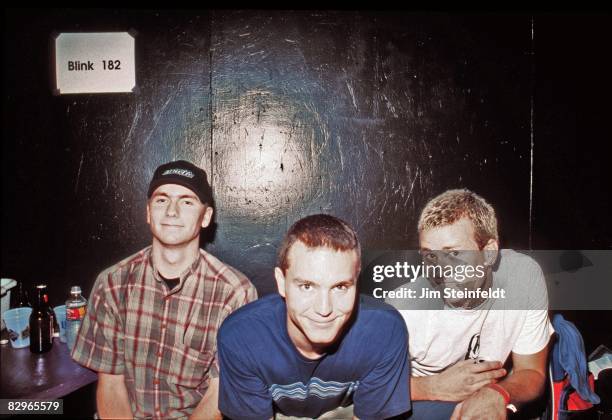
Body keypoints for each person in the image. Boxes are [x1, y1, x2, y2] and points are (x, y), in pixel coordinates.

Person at [71, 160, 257, 419]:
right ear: (148, 212)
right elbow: (111, 385)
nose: (172, 211)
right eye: (161, 200)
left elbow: (220, 393)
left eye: (187, 201)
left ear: (205, 217)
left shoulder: (235, 293)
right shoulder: (112, 283)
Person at [217, 214, 411, 420]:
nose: (324, 308)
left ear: (356, 282)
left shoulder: (384, 330)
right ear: (281, 283)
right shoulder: (241, 336)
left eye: (340, 287)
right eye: (307, 286)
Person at [389, 189, 553, 419]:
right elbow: (359, 389)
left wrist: (498, 394)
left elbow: (531, 372)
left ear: (489, 253)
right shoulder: (404, 308)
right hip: (415, 403)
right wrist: (431, 386)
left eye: (454, 253)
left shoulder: (523, 276)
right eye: (430, 255)